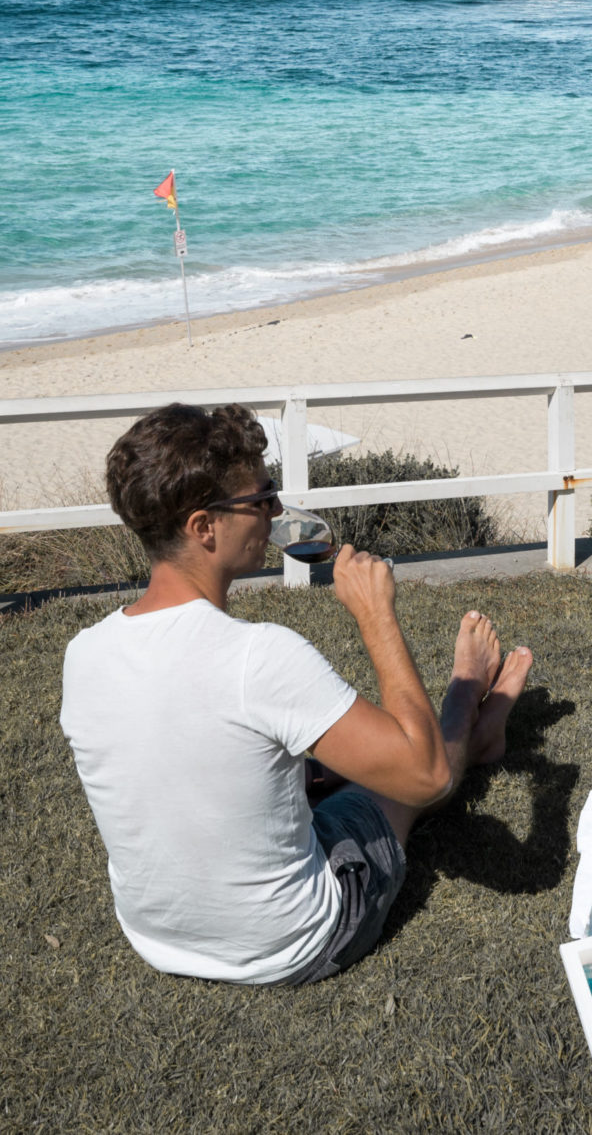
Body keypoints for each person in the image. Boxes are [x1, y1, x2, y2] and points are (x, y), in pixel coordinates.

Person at [59, 403, 533, 986]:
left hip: (156, 938)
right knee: (407, 784)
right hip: (293, 941)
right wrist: (376, 615)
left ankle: (448, 733)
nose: (277, 511)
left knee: (309, 767)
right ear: (204, 527)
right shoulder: (259, 656)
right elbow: (424, 775)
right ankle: (470, 718)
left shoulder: (84, 653)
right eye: (261, 499)